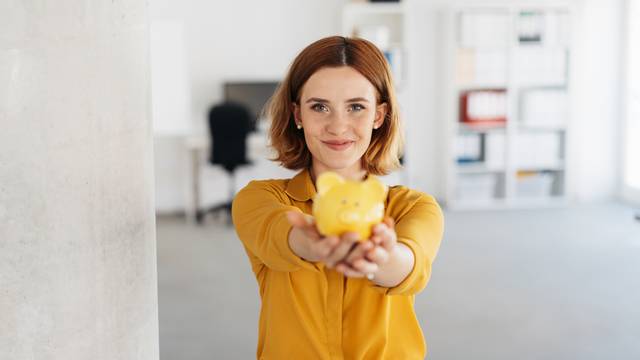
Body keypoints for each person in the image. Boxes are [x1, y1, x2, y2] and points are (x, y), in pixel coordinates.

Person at [232, 36, 444, 359]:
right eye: (319, 107)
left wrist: (378, 256)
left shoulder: (415, 208)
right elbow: (281, 235)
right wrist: (313, 242)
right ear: (297, 115)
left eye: (356, 107)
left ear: (379, 115)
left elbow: (406, 268)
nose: (338, 125)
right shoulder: (259, 198)